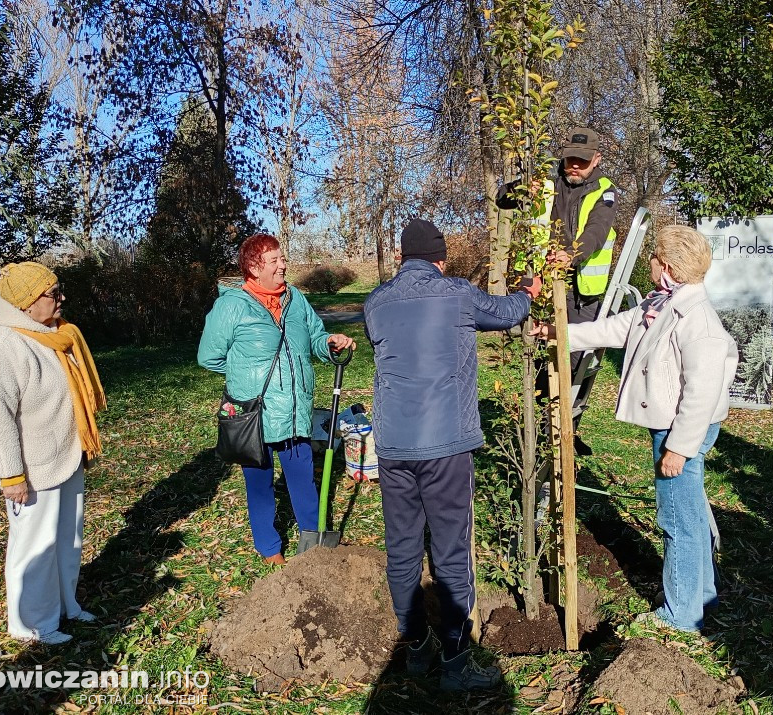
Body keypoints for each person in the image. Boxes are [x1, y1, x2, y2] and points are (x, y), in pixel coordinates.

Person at [364, 219, 541, 690]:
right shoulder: (458, 293)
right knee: (450, 549)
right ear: (440, 260)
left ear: (403, 258)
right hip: (444, 446)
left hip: (394, 448)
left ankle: (416, 647)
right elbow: (507, 313)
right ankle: (456, 663)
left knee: (402, 548)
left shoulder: (375, 303)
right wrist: (528, 289)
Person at [532, 226, 737, 632]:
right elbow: (615, 329)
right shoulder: (661, 304)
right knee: (692, 514)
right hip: (672, 427)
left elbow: (701, 392)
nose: (650, 263)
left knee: (676, 519)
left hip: (681, 430)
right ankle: (703, 593)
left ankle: (680, 615)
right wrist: (559, 334)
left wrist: (678, 448)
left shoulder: (698, 321)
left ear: (671, 267)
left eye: (655, 257)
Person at [197, 234, 355, 565]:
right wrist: (244, 374)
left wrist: (329, 342)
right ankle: (269, 548)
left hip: (295, 409)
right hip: (254, 414)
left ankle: (314, 545)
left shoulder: (295, 299)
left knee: (303, 481)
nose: (284, 265)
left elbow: (314, 336)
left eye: (283, 259)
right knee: (260, 486)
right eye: (275, 261)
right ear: (254, 268)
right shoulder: (230, 307)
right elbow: (208, 357)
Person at [0, 262, 106, 644]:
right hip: (31, 470)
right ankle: (32, 624)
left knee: (67, 538)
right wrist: (10, 476)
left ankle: (65, 606)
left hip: (66, 457)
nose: (61, 298)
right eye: (53, 293)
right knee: (36, 546)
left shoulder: (54, 334)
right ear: (27, 303)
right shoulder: (0, 349)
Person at [497, 126, 619, 453]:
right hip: (545, 289)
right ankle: (540, 430)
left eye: (581, 161)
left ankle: (567, 430)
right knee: (543, 355)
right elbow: (502, 198)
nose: (574, 167)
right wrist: (524, 187)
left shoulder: (605, 191)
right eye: (569, 161)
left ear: (597, 159)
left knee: (576, 357)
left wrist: (573, 254)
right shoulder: (548, 185)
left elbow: (597, 230)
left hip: (584, 291)